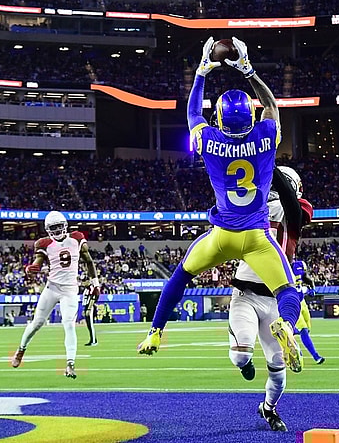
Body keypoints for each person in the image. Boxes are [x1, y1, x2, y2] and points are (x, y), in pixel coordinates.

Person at [138, 37, 304, 375]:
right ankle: (286, 326)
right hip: (257, 237)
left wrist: (202, 70)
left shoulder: (209, 140)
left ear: (220, 120)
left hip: (223, 235)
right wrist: (247, 69)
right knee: (287, 291)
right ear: (251, 118)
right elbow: (272, 106)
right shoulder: (265, 136)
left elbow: (192, 112)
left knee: (181, 275)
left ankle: (155, 332)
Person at [229, 166, 313, 432]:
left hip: (276, 297)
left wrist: (269, 163)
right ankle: (245, 361)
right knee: (241, 357)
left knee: (278, 366)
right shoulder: (254, 206)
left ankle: (268, 408)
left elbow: (291, 204)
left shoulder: (298, 209)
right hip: (246, 293)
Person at [11, 211, 99, 379]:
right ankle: (21, 350)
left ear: (65, 225)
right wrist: (32, 268)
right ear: (48, 229)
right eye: (54, 228)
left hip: (70, 290)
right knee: (37, 323)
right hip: (52, 288)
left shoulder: (77, 238)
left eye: (59, 226)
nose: (58, 230)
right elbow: (38, 262)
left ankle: (70, 364)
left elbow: (88, 261)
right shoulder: (43, 244)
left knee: (69, 324)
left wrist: (95, 283)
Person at [291, 259, 325, 365]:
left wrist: (312, 290)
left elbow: (308, 280)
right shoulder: (286, 271)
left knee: (307, 328)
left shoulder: (300, 269)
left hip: (302, 302)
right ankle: (316, 356)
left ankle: (288, 333)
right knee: (304, 330)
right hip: (293, 303)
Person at [83, 278, 101, 346]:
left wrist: (89, 308)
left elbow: (92, 298)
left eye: (84, 281)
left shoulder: (91, 288)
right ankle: (91, 340)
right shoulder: (86, 289)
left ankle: (94, 341)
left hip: (89, 306)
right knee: (88, 325)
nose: (83, 283)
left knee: (91, 325)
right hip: (86, 306)